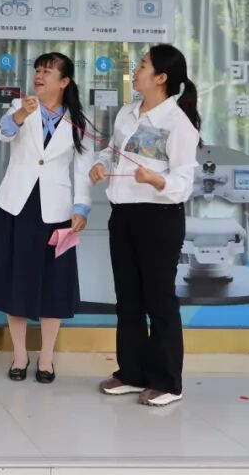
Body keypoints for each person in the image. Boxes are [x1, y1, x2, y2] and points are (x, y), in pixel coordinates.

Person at [90, 44, 201, 407]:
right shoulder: (127, 113)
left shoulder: (178, 124)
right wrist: (100, 164)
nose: (136, 71)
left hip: (159, 219)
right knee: (128, 298)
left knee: (159, 299)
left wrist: (157, 180)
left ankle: (168, 381)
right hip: (123, 215)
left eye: (143, 65)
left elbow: (184, 183)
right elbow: (112, 151)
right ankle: (132, 373)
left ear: (161, 78)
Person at [0, 52, 92, 384]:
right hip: (16, 206)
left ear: (64, 81)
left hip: (57, 212)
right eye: (38, 70)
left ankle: (47, 357)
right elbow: (1, 133)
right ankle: (19, 355)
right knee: (16, 281)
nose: (39, 75)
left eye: (48, 71)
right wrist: (21, 115)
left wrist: (81, 208)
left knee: (54, 284)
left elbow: (83, 168)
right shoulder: (21, 106)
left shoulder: (78, 119)